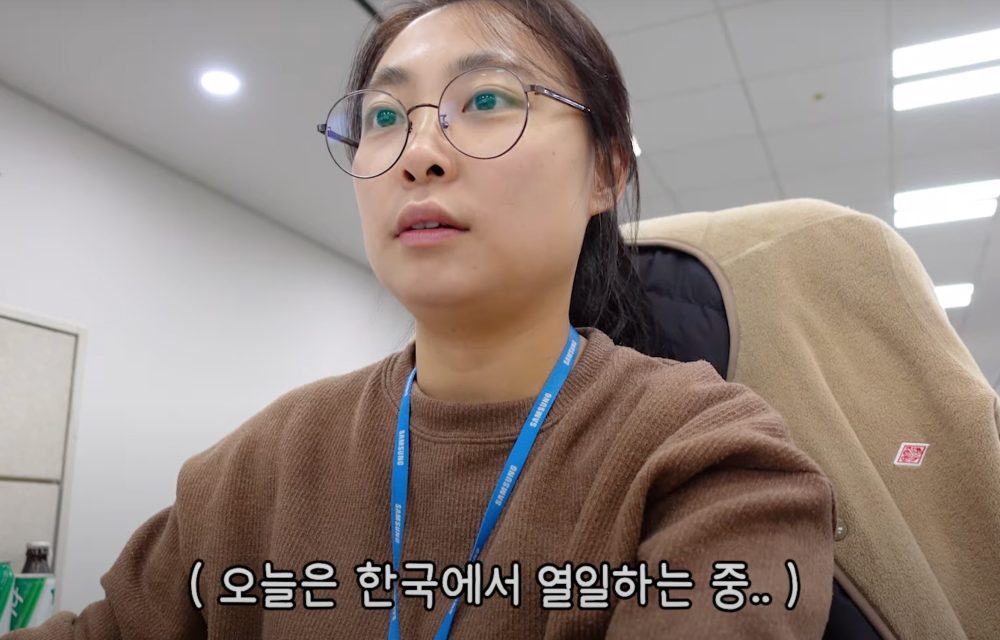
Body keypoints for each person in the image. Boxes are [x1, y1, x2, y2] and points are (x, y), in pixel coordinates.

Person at [6, 0, 836, 638]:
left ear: (605, 174)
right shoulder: (258, 468)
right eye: (383, 117)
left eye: (485, 99)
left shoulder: (710, 461)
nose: (419, 151)